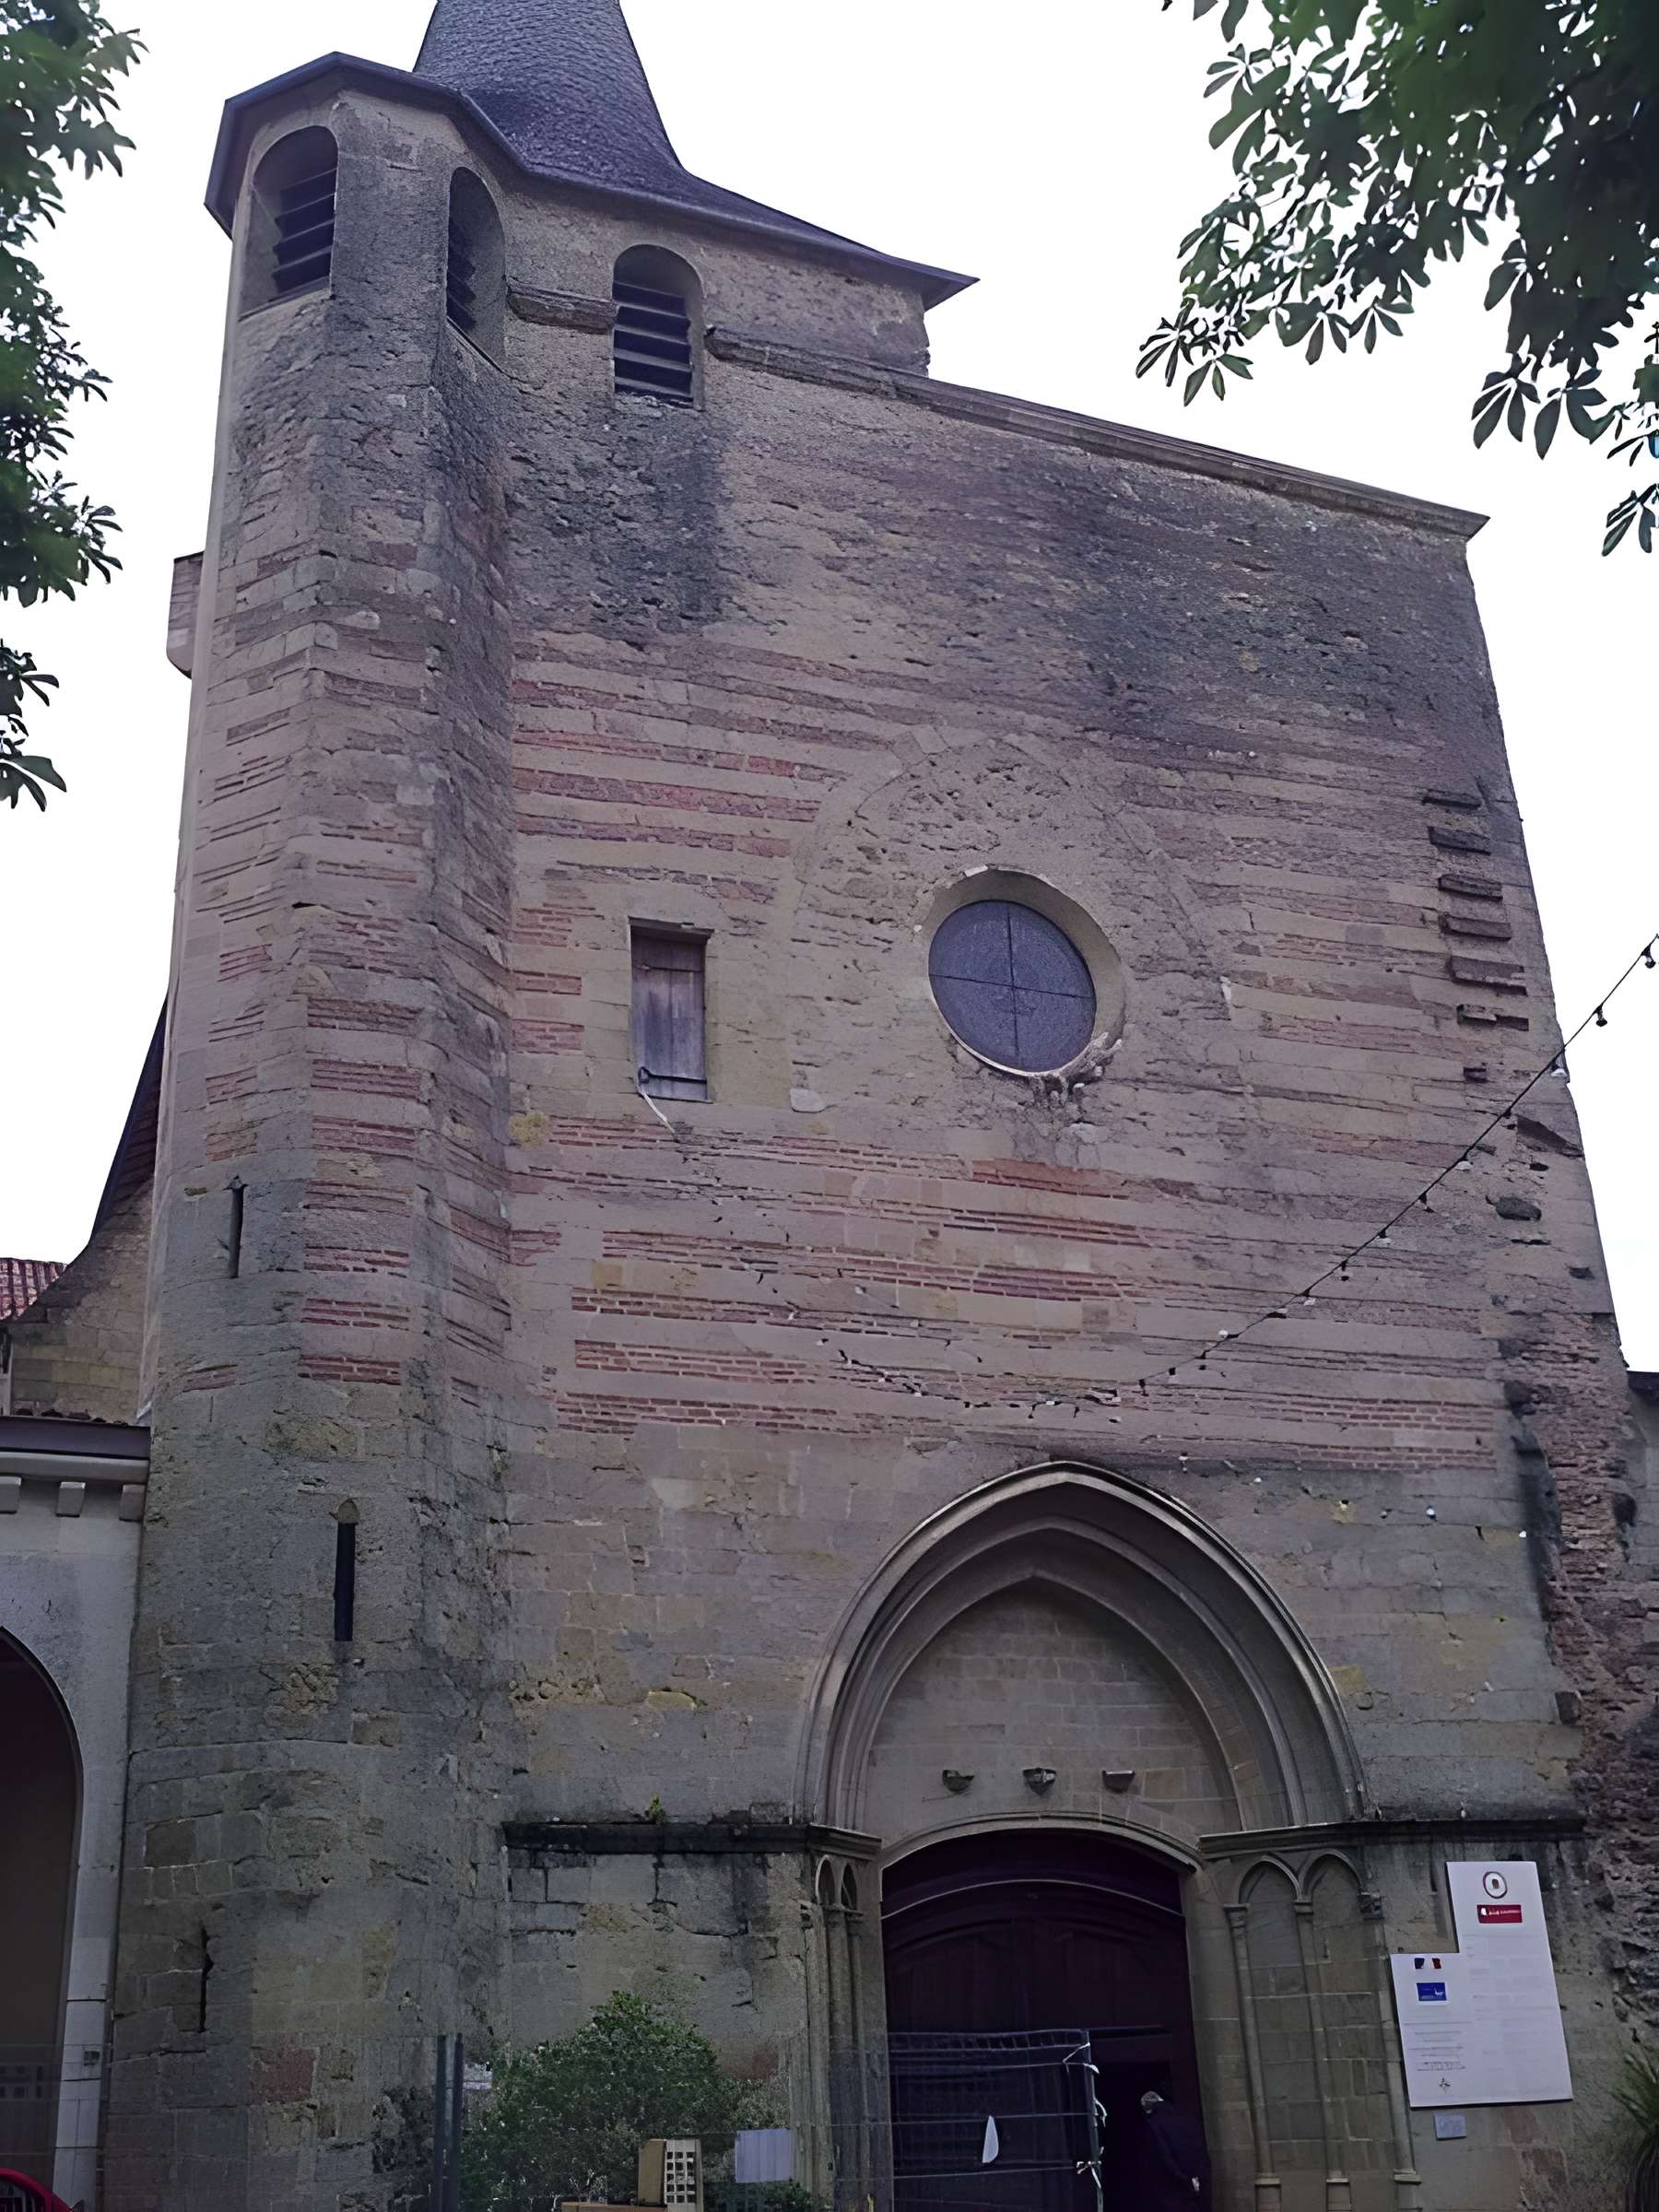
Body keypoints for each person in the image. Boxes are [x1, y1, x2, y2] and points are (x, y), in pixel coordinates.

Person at [1138, 2089, 1211, 2208]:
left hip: (1174, 2183)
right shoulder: (1185, 2116)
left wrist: (1183, 2178)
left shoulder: (1154, 2124)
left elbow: (1164, 2155)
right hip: (1199, 2176)